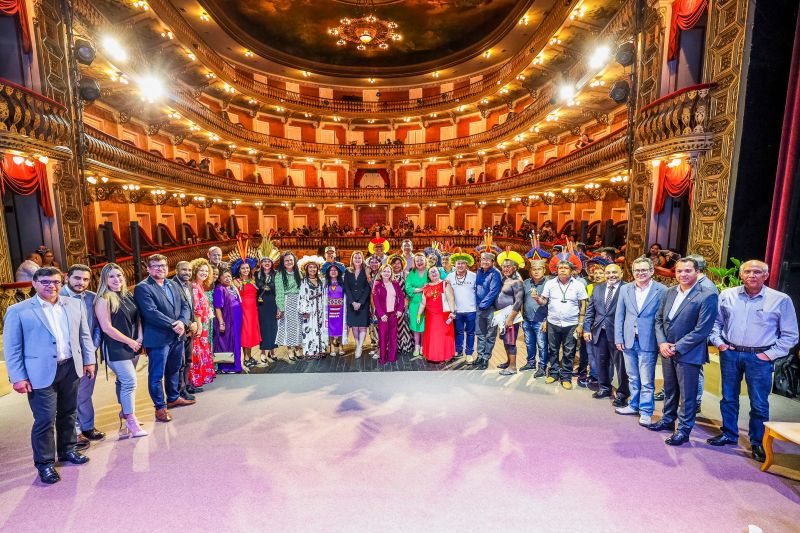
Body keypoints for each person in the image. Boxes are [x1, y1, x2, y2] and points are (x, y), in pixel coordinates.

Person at [4, 267, 95, 484]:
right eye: (45, 282)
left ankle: (67, 450)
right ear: (34, 284)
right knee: (45, 419)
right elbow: (12, 348)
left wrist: (89, 360)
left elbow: (84, 335)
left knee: (69, 412)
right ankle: (44, 464)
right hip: (39, 373)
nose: (51, 286)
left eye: (55, 282)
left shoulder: (74, 304)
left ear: (61, 282)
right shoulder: (18, 310)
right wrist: (17, 376)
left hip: (70, 367)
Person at [707, 260, 799, 462]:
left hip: (760, 357)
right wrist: (720, 344)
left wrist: (769, 355)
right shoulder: (728, 295)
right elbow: (716, 323)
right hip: (730, 353)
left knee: (758, 403)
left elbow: (791, 335)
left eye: (757, 272)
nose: (752, 275)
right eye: (747, 271)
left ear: (766, 275)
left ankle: (757, 442)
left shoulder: (780, 300)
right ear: (741, 275)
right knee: (728, 397)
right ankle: (729, 434)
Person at [650, 257, 718, 446]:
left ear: (697, 272)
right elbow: (659, 319)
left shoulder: (707, 295)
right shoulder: (669, 292)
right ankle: (667, 420)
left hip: (689, 353)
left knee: (687, 395)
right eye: (679, 271)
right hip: (666, 350)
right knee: (670, 389)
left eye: (688, 271)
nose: (683, 274)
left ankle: (684, 430)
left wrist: (676, 347)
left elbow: (702, 330)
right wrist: (662, 343)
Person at [134, 254, 194, 423]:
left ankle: (173, 397)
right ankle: (160, 408)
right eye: (156, 266)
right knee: (156, 374)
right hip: (158, 337)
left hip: (177, 335)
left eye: (163, 265)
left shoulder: (172, 284)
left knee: (174, 369)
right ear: (148, 268)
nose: (160, 268)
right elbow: (150, 312)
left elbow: (184, 305)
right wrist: (174, 324)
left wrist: (183, 322)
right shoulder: (143, 287)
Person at [94, 263, 147, 439]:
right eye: (112, 277)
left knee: (122, 382)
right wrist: (130, 341)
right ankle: (131, 419)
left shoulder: (127, 295)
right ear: (104, 280)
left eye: (119, 276)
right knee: (130, 382)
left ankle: (124, 413)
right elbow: (107, 328)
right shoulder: (103, 298)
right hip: (116, 347)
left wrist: (139, 337)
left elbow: (138, 318)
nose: (117, 280)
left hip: (133, 345)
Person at [614, 257, 666, 426]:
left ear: (651, 271)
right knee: (632, 377)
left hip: (648, 341)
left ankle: (646, 411)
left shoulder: (662, 290)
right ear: (632, 271)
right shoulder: (625, 289)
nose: (640, 273)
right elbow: (620, 315)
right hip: (628, 339)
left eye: (644, 270)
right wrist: (618, 337)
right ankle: (633, 405)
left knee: (646, 380)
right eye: (637, 270)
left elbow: (663, 319)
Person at [60, 264, 103, 449]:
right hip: (67, 357)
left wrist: (91, 350)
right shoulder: (57, 298)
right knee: (69, 397)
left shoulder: (92, 298)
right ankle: (75, 433)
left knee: (85, 393)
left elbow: (97, 327)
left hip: (88, 356)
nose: (81, 282)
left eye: (85, 279)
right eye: (77, 278)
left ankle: (87, 427)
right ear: (66, 277)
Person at [536, 260, 588, 389]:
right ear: (556, 270)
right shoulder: (550, 283)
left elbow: (583, 305)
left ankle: (566, 377)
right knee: (552, 350)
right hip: (553, 323)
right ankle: (553, 374)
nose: (563, 270)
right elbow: (544, 303)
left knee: (569, 352)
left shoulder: (578, 285)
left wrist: (581, 324)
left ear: (571, 270)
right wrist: (537, 299)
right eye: (560, 268)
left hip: (571, 324)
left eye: (566, 268)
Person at [584, 263, 628, 406]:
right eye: (608, 273)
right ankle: (604, 387)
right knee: (601, 362)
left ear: (621, 273)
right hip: (599, 332)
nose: (611, 275)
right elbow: (590, 311)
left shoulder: (627, 288)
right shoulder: (597, 288)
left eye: (614, 272)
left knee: (621, 366)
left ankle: (622, 393)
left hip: (618, 334)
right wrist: (586, 329)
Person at [494, 253, 525, 375]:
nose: (505, 268)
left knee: (511, 341)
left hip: (510, 316)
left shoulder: (517, 282)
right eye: (504, 266)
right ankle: (508, 362)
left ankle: (512, 367)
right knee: (505, 340)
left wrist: (511, 318)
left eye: (509, 266)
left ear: (515, 267)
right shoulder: (505, 279)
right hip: (501, 315)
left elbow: (518, 301)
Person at [417, 266, 456, 363]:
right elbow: (423, 303)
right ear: (428, 276)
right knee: (432, 337)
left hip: (443, 316)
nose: (433, 273)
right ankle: (432, 356)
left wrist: (452, 312)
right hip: (431, 317)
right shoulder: (426, 287)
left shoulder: (445, 284)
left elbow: (451, 298)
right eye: (431, 272)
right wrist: (419, 315)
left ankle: (443, 356)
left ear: (439, 273)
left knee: (443, 337)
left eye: (435, 271)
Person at [172, 261, 198, 401]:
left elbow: (190, 306)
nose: (187, 273)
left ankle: (187, 385)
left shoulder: (188, 284)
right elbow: (177, 310)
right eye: (184, 270)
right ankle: (180, 391)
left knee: (188, 360)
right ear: (176, 270)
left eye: (189, 270)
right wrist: (187, 325)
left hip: (189, 327)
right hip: (180, 329)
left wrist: (193, 322)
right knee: (180, 363)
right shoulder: (172, 285)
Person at [189, 259, 216, 387]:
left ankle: (204, 375)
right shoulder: (194, 286)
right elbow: (196, 308)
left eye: (206, 271)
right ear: (195, 271)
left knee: (203, 348)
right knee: (197, 350)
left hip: (205, 323)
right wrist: (199, 325)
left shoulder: (200, 285)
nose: (204, 273)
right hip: (200, 323)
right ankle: (196, 378)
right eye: (201, 270)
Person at [446, 251, 477, 360]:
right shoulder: (449, 277)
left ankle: (469, 354)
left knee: (470, 333)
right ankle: (458, 351)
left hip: (471, 310)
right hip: (456, 310)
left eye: (463, 263)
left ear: (467, 264)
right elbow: (445, 291)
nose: (460, 265)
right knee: (458, 332)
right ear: (454, 264)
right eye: (458, 263)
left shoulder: (474, 276)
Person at [473, 252, 502, 369]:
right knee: (480, 334)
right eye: (482, 259)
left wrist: (483, 305)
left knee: (490, 335)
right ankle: (480, 355)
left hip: (491, 309)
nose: (484, 261)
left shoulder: (495, 273)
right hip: (479, 308)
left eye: (487, 260)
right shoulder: (479, 271)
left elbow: (493, 291)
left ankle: (486, 357)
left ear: (492, 262)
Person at [521, 259, 549, 376]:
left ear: (544, 270)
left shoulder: (549, 283)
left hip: (541, 321)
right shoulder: (526, 283)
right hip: (527, 320)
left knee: (542, 345)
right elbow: (520, 300)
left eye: (539, 269)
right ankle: (531, 362)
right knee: (529, 343)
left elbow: (552, 304)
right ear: (530, 271)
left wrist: (547, 320)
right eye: (534, 269)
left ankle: (542, 366)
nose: (536, 272)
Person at [213, 269, 244, 372]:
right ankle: (227, 367)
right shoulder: (219, 289)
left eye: (229, 276)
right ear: (219, 279)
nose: (228, 278)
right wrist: (221, 323)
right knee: (227, 343)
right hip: (227, 320)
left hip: (236, 320)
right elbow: (217, 307)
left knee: (236, 342)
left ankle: (237, 365)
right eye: (225, 276)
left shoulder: (232, 287)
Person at [372, 264, 404, 364]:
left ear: (391, 273)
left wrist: (399, 310)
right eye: (384, 271)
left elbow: (401, 297)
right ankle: (382, 358)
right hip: (383, 316)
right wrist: (381, 314)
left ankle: (392, 357)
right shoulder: (377, 284)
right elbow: (375, 300)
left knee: (393, 336)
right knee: (383, 336)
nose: (386, 273)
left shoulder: (395, 283)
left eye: (388, 271)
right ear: (381, 273)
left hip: (393, 314)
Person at [298, 256, 328, 359]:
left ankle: (321, 350)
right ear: (306, 269)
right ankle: (310, 352)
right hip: (309, 309)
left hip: (319, 308)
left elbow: (324, 294)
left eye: (314, 267)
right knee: (309, 328)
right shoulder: (304, 282)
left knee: (320, 328)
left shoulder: (321, 281)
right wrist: (304, 310)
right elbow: (302, 296)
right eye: (310, 267)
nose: (312, 269)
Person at [275, 252, 303, 360]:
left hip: (298, 301)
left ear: (294, 261)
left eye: (291, 260)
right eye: (286, 260)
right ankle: (290, 349)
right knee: (288, 327)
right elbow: (279, 292)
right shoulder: (280, 274)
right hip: (286, 301)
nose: (289, 262)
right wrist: (281, 308)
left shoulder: (298, 272)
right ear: (283, 262)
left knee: (298, 326)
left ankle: (297, 347)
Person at [234, 261, 261, 367]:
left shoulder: (253, 280)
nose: (246, 270)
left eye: (247, 268)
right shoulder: (236, 281)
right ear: (239, 270)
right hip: (243, 309)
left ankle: (249, 356)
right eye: (243, 268)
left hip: (253, 310)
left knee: (250, 333)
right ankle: (245, 358)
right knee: (245, 333)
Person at [344, 251, 371, 358]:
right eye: (355, 258)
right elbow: (346, 287)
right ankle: (357, 344)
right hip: (351, 302)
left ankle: (359, 347)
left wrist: (360, 302)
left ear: (362, 259)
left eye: (359, 258)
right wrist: (352, 302)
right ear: (352, 259)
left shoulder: (366, 271)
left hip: (363, 302)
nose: (357, 259)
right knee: (354, 326)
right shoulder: (347, 271)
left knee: (363, 326)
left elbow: (368, 287)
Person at [255, 257, 279, 363]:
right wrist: (262, 286)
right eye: (264, 261)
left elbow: (278, 288)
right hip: (261, 303)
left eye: (269, 261)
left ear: (272, 262)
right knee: (263, 328)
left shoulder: (276, 274)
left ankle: (272, 351)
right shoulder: (256, 274)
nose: (267, 263)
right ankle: (263, 352)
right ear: (261, 263)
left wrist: (270, 286)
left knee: (273, 327)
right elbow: (256, 286)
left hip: (273, 302)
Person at [405, 253, 429, 359]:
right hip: (414, 303)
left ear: (425, 261)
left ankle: (424, 346)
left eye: (421, 260)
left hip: (428, 302)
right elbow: (407, 287)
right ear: (415, 263)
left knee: (424, 326)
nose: (419, 262)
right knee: (415, 325)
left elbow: (435, 281)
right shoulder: (412, 273)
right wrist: (420, 289)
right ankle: (417, 347)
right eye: (417, 261)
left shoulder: (429, 271)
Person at [322, 261, 347, 356]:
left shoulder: (342, 282)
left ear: (338, 272)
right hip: (329, 309)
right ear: (328, 272)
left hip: (340, 309)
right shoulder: (325, 283)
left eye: (335, 270)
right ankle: (331, 347)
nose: (333, 271)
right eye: (331, 270)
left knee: (340, 328)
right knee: (330, 328)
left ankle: (341, 346)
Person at [205, 265, 219, 353]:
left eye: (217, 274)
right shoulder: (202, 286)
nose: (215, 276)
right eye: (213, 274)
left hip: (213, 316)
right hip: (205, 317)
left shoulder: (214, 286)